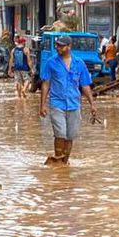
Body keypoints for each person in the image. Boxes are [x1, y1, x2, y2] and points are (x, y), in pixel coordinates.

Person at [39, 35, 98, 165]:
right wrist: (42, 105)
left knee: (70, 136)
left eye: (60, 45)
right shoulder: (51, 62)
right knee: (60, 133)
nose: (57, 47)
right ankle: (58, 160)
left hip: (74, 104)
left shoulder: (79, 63)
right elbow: (46, 84)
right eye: (57, 45)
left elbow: (85, 85)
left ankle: (64, 162)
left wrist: (92, 104)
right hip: (56, 103)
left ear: (69, 47)